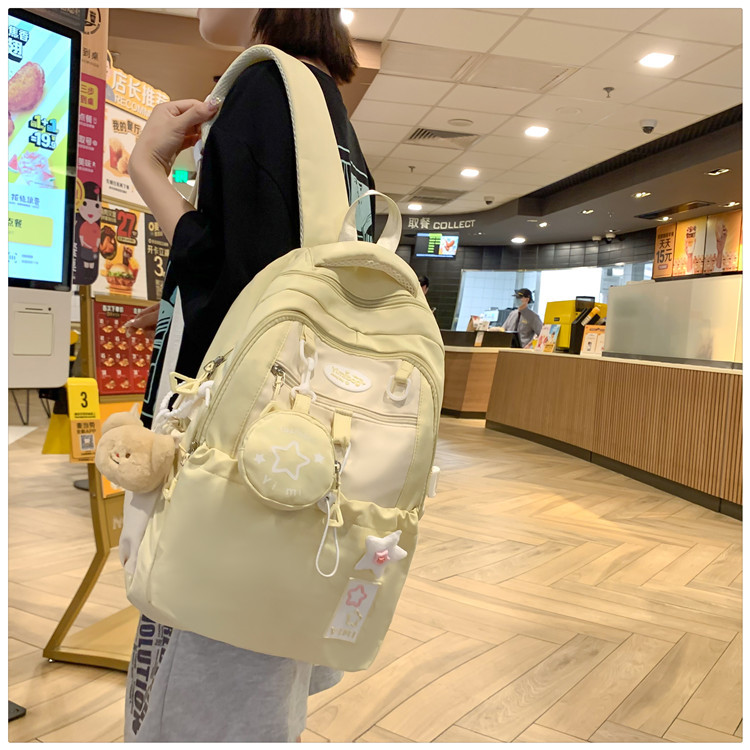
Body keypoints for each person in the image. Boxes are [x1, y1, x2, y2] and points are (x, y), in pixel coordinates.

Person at [122, 9, 374, 742]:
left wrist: (148, 171)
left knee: (194, 708)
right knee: (256, 691)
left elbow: (242, 290)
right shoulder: (325, 107)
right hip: (292, 465)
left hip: (231, 480)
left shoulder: (265, 86)